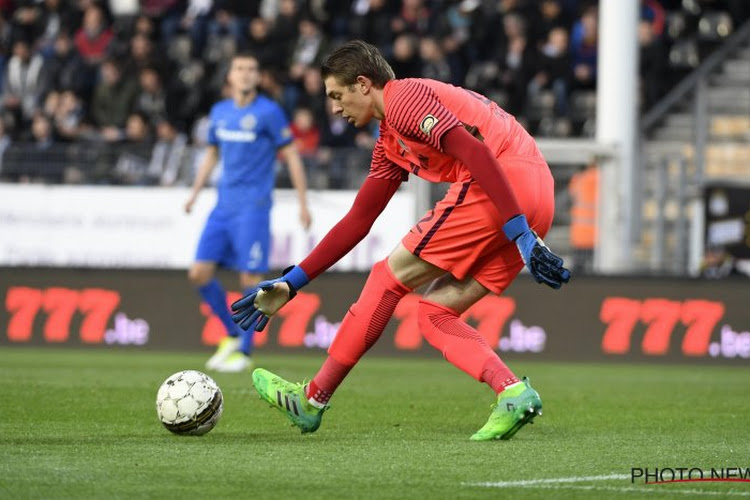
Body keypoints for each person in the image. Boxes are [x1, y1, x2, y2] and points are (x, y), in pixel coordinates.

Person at [231, 40, 569, 440]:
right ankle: (512, 392)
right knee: (435, 313)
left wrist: (520, 234)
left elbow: (477, 154)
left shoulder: (403, 98)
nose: (335, 108)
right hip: (535, 192)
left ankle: (313, 399)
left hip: (500, 186)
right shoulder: (389, 141)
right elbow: (358, 221)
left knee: (386, 278)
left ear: (363, 84)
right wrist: (293, 282)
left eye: (338, 96)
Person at [185, 52, 312, 373]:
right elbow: (212, 153)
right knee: (198, 273)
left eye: (251, 69)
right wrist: (195, 193)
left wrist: (302, 203)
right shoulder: (220, 112)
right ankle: (229, 335)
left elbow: (292, 156)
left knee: (251, 278)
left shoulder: (269, 113)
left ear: (258, 77)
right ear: (230, 76)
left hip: (253, 209)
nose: (245, 74)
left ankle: (244, 351)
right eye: (240, 69)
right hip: (222, 207)